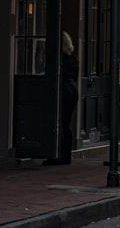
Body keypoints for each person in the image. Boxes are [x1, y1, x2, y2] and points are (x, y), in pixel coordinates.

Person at [47, 32, 79, 165]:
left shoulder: (59, 58)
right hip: (72, 89)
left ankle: (58, 154)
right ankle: (66, 155)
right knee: (66, 123)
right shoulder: (73, 58)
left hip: (64, 90)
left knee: (59, 121)